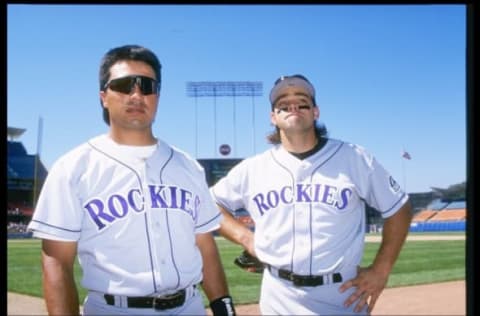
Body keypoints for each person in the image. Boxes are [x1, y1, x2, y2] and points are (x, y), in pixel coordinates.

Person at [27, 44, 236, 316]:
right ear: (104, 96)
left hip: (190, 307)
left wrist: (223, 306)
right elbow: (56, 261)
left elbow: (205, 246)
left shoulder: (188, 166)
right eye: (124, 85)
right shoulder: (73, 168)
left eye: (147, 86)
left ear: (157, 96)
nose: (136, 94)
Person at [211, 74, 413, 315]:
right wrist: (247, 239)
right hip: (279, 295)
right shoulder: (253, 168)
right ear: (273, 117)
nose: (293, 105)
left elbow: (399, 207)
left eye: (302, 101)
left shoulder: (353, 157)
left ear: (315, 112)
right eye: (283, 104)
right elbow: (210, 204)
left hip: (341, 295)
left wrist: (381, 269)